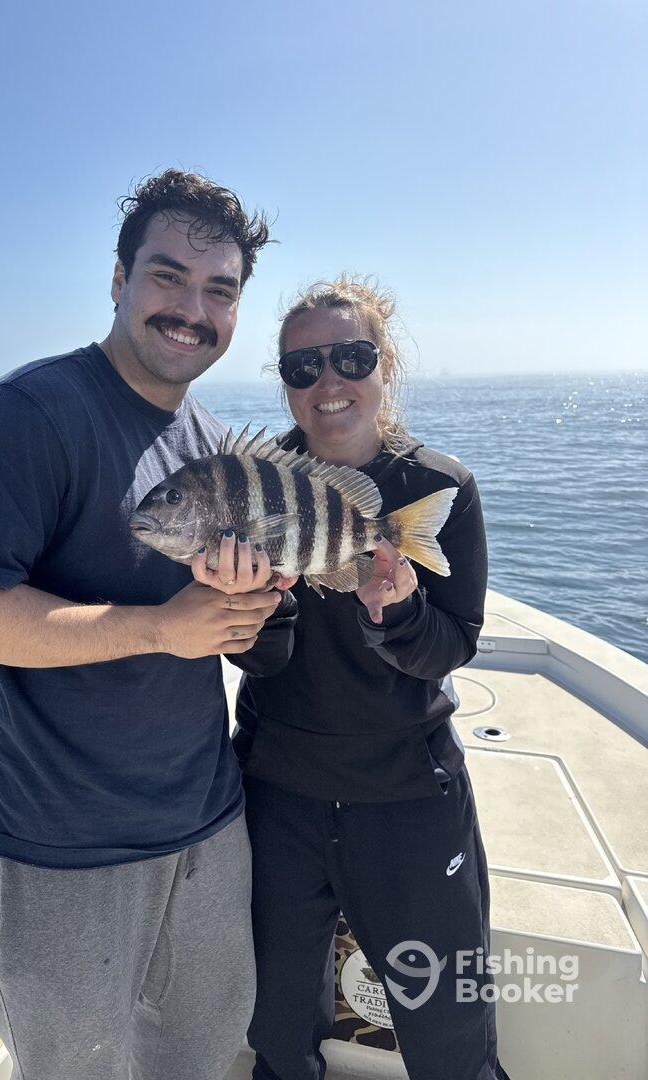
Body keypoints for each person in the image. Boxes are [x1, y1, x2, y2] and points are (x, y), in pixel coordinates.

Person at [0, 169, 297, 1080]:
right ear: (118, 280)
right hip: (61, 851)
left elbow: (219, 630)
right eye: (167, 276)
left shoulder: (208, 440)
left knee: (200, 1058)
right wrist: (162, 627)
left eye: (219, 291)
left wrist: (244, 610)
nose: (191, 309)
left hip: (208, 825)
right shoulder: (29, 414)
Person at [204, 276, 509, 1080]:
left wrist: (397, 615)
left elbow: (453, 645)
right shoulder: (250, 492)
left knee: (451, 1025)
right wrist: (260, 606)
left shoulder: (439, 487)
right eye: (302, 367)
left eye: (350, 356)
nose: (328, 382)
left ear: (385, 365)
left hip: (407, 791)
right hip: (279, 791)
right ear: (285, 383)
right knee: (276, 1024)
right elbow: (256, 660)